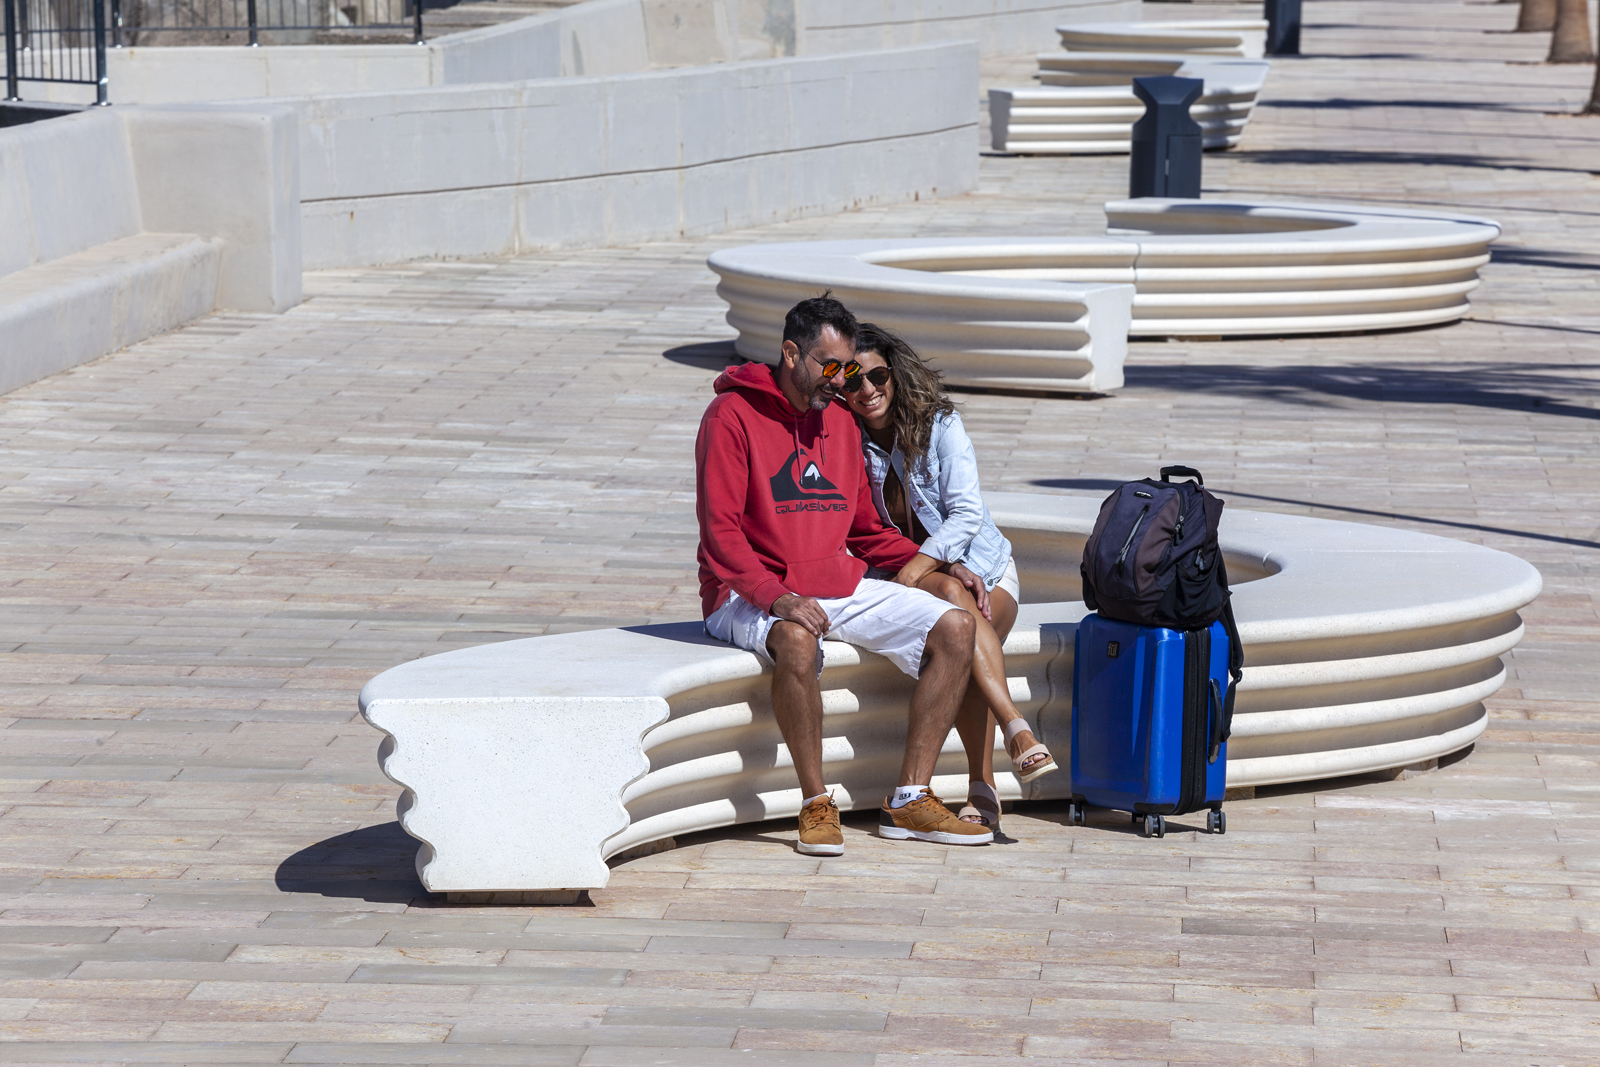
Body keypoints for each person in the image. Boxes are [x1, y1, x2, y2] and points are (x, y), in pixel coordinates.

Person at [695, 295, 996, 856]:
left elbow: (864, 529)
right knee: (795, 638)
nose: (841, 381)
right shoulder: (730, 416)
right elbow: (721, 535)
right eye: (830, 366)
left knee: (955, 627)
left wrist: (941, 561)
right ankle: (816, 803)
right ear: (791, 354)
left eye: (848, 370)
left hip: (832, 582)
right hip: (743, 590)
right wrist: (777, 598)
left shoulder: (838, 421)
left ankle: (910, 798)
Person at [841, 322, 1058, 832]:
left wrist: (919, 565)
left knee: (960, 618)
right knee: (955, 622)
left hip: (984, 569)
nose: (867, 389)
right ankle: (1012, 739)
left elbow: (966, 514)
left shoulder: (939, 424)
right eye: (852, 380)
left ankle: (999, 755)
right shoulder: (845, 439)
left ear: (895, 374)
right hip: (920, 577)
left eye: (877, 376)